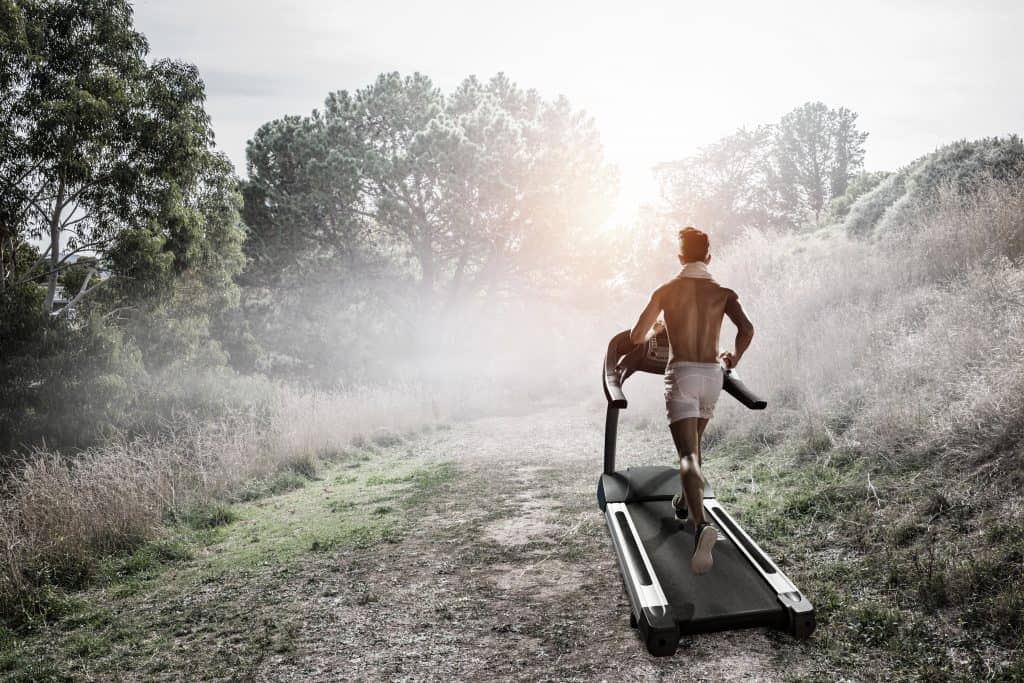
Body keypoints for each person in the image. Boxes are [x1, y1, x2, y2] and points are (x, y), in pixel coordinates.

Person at [628, 226, 754, 574]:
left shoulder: (667, 290)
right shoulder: (723, 293)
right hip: (713, 375)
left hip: (681, 372)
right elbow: (747, 330)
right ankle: (684, 501)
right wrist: (734, 358)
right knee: (695, 448)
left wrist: (660, 327)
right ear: (708, 257)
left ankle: (699, 526)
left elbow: (638, 335)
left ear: (679, 257)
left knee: (687, 456)